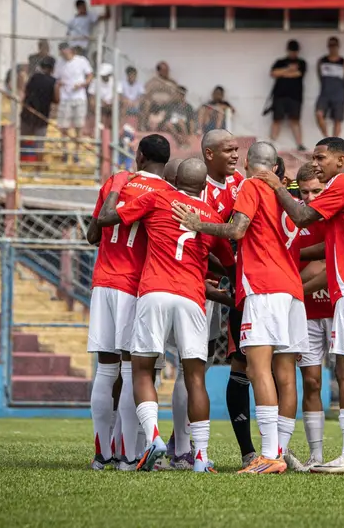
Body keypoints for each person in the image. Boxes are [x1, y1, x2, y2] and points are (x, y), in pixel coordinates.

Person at [254, 137, 344, 475]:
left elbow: (302, 216)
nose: (315, 163)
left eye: (321, 157)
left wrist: (277, 186)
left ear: (341, 160)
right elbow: (325, 245)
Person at [174, 142, 307, 474]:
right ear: (276, 166)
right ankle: (279, 450)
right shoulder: (288, 196)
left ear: (249, 162)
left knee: (257, 369)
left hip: (264, 287)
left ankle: (266, 456)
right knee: (285, 375)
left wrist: (197, 223)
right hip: (292, 290)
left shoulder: (251, 185)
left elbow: (237, 230)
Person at [96, 158, 235, 473]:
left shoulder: (158, 198)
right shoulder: (210, 215)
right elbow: (229, 265)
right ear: (203, 186)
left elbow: (107, 219)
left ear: (175, 180)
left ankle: (154, 437)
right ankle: (199, 456)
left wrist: (117, 186)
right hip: (191, 298)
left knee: (143, 370)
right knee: (195, 377)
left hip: (154, 292)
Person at [84, 134, 172, 471]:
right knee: (131, 370)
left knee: (105, 371)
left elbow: (93, 235)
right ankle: (127, 456)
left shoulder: (115, 182)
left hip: (103, 282)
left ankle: (101, 454)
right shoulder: (165, 193)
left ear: (138, 155)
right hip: (136, 286)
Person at [197, 129, 257, 467]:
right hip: (209, 286)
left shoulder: (243, 185)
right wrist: (229, 276)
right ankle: (181, 445)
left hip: (244, 285)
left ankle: (271, 449)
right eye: (228, 150)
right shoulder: (198, 188)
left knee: (255, 362)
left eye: (237, 150)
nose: (236, 156)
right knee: (196, 364)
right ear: (209, 154)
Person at [292, 164, 331, 470]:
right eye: (304, 192)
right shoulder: (295, 220)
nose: (310, 197)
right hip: (307, 314)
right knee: (312, 382)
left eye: (316, 190)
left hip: (339, 310)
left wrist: (294, 290)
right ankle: (316, 455)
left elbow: (328, 266)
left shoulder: (338, 214)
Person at [54, 42, 93, 163]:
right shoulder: (59, 63)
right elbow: (57, 78)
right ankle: (65, 152)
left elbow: (90, 75)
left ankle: (76, 152)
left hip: (79, 97)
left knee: (78, 126)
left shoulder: (81, 61)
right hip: (65, 98)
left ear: (69, 50)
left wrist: (83, 84)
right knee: (63, 127)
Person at [268, 40, 307, 151]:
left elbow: (298, 74)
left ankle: (299, 144)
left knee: (295, 120)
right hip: (279, 95)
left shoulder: (301, 62)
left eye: (294, 51)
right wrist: (288, 69)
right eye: (291, 51)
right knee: (277, 119)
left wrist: (283, 73)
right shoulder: (280, 62)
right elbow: (273, 73)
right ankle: (272, 142)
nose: (293, 53)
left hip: (295, 96)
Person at [19, 56, 58, 162]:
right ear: (52, 69)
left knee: (21, 141)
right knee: (39, 145)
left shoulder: (34, 77)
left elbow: (26, 91)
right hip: (42, 117)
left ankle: (18, 165)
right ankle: (38, 171)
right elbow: (56, 99)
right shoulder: (53, 81)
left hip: (27, 114)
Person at [315, 37, 344, 138]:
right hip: (325, 94)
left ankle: (334, 142)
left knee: (337, 120)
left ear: (338, 46)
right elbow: (320, 76)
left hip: (339, 95)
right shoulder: (322, 61)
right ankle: (326, 137)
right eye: (330, 46)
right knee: (319, 114)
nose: (332, 48)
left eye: (334, 46)